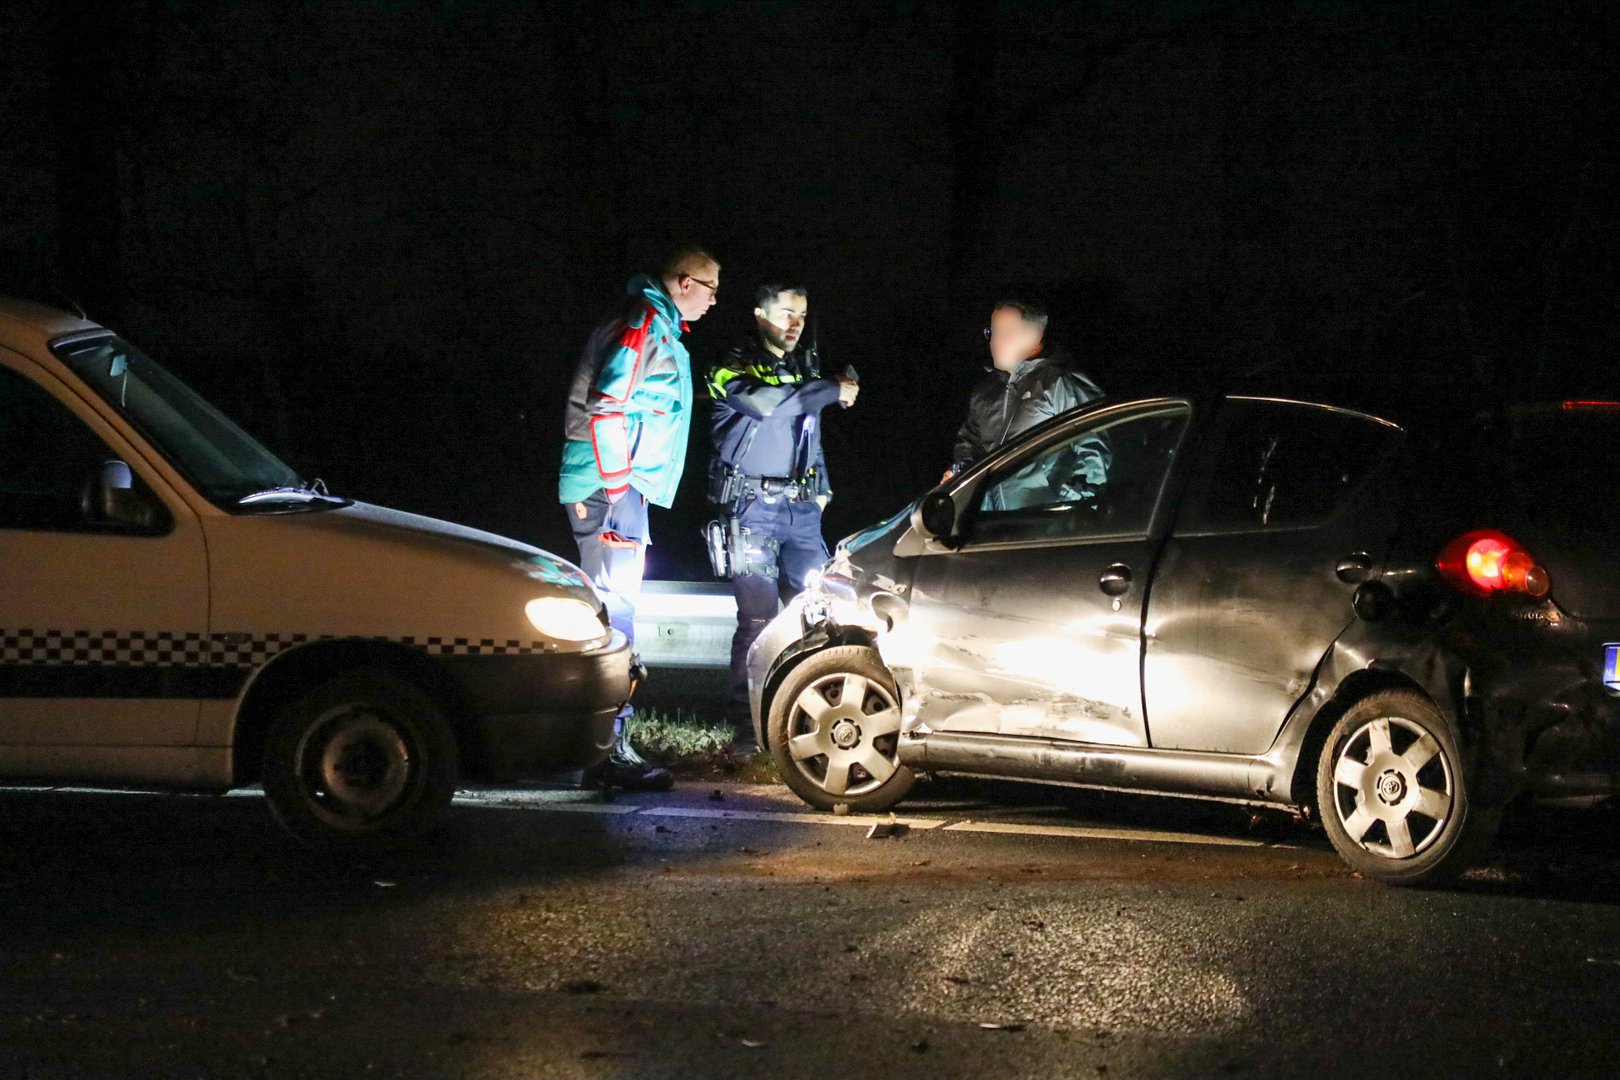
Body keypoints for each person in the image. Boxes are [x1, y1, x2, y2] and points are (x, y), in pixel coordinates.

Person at [559, 244, 720, 790]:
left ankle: (602, 750)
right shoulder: (644, 324)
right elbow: (607, 403)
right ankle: (605, 756)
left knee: (615, 612)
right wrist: (619, 486)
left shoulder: (656, 326)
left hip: (618, 488)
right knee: (615, 615)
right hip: (612, 490)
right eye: (709, 287)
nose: (714, 300)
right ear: (681, 281)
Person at [706, 282, 856, 723]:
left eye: (802, 316)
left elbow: (810, 431)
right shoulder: (729, 364)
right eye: (787, 313)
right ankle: (748, 728)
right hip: (753, 509)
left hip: (803, 509)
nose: (796, 324)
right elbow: (767, 404)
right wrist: (830, 389)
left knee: (824, 609)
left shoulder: (802, 367)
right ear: (759, 314)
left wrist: (823, 488)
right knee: (757, 620)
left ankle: (810, 716)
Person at [945, 296, 1108, 489]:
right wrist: (961, 477)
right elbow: (970, 444)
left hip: (1045, 516)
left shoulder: (1059, 383)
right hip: (995, 517)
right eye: (992, 332)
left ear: (1034, 336)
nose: (995, 341)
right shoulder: (984, 392)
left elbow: (1095, 447)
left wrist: (1067, 505)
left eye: (1006, 332)